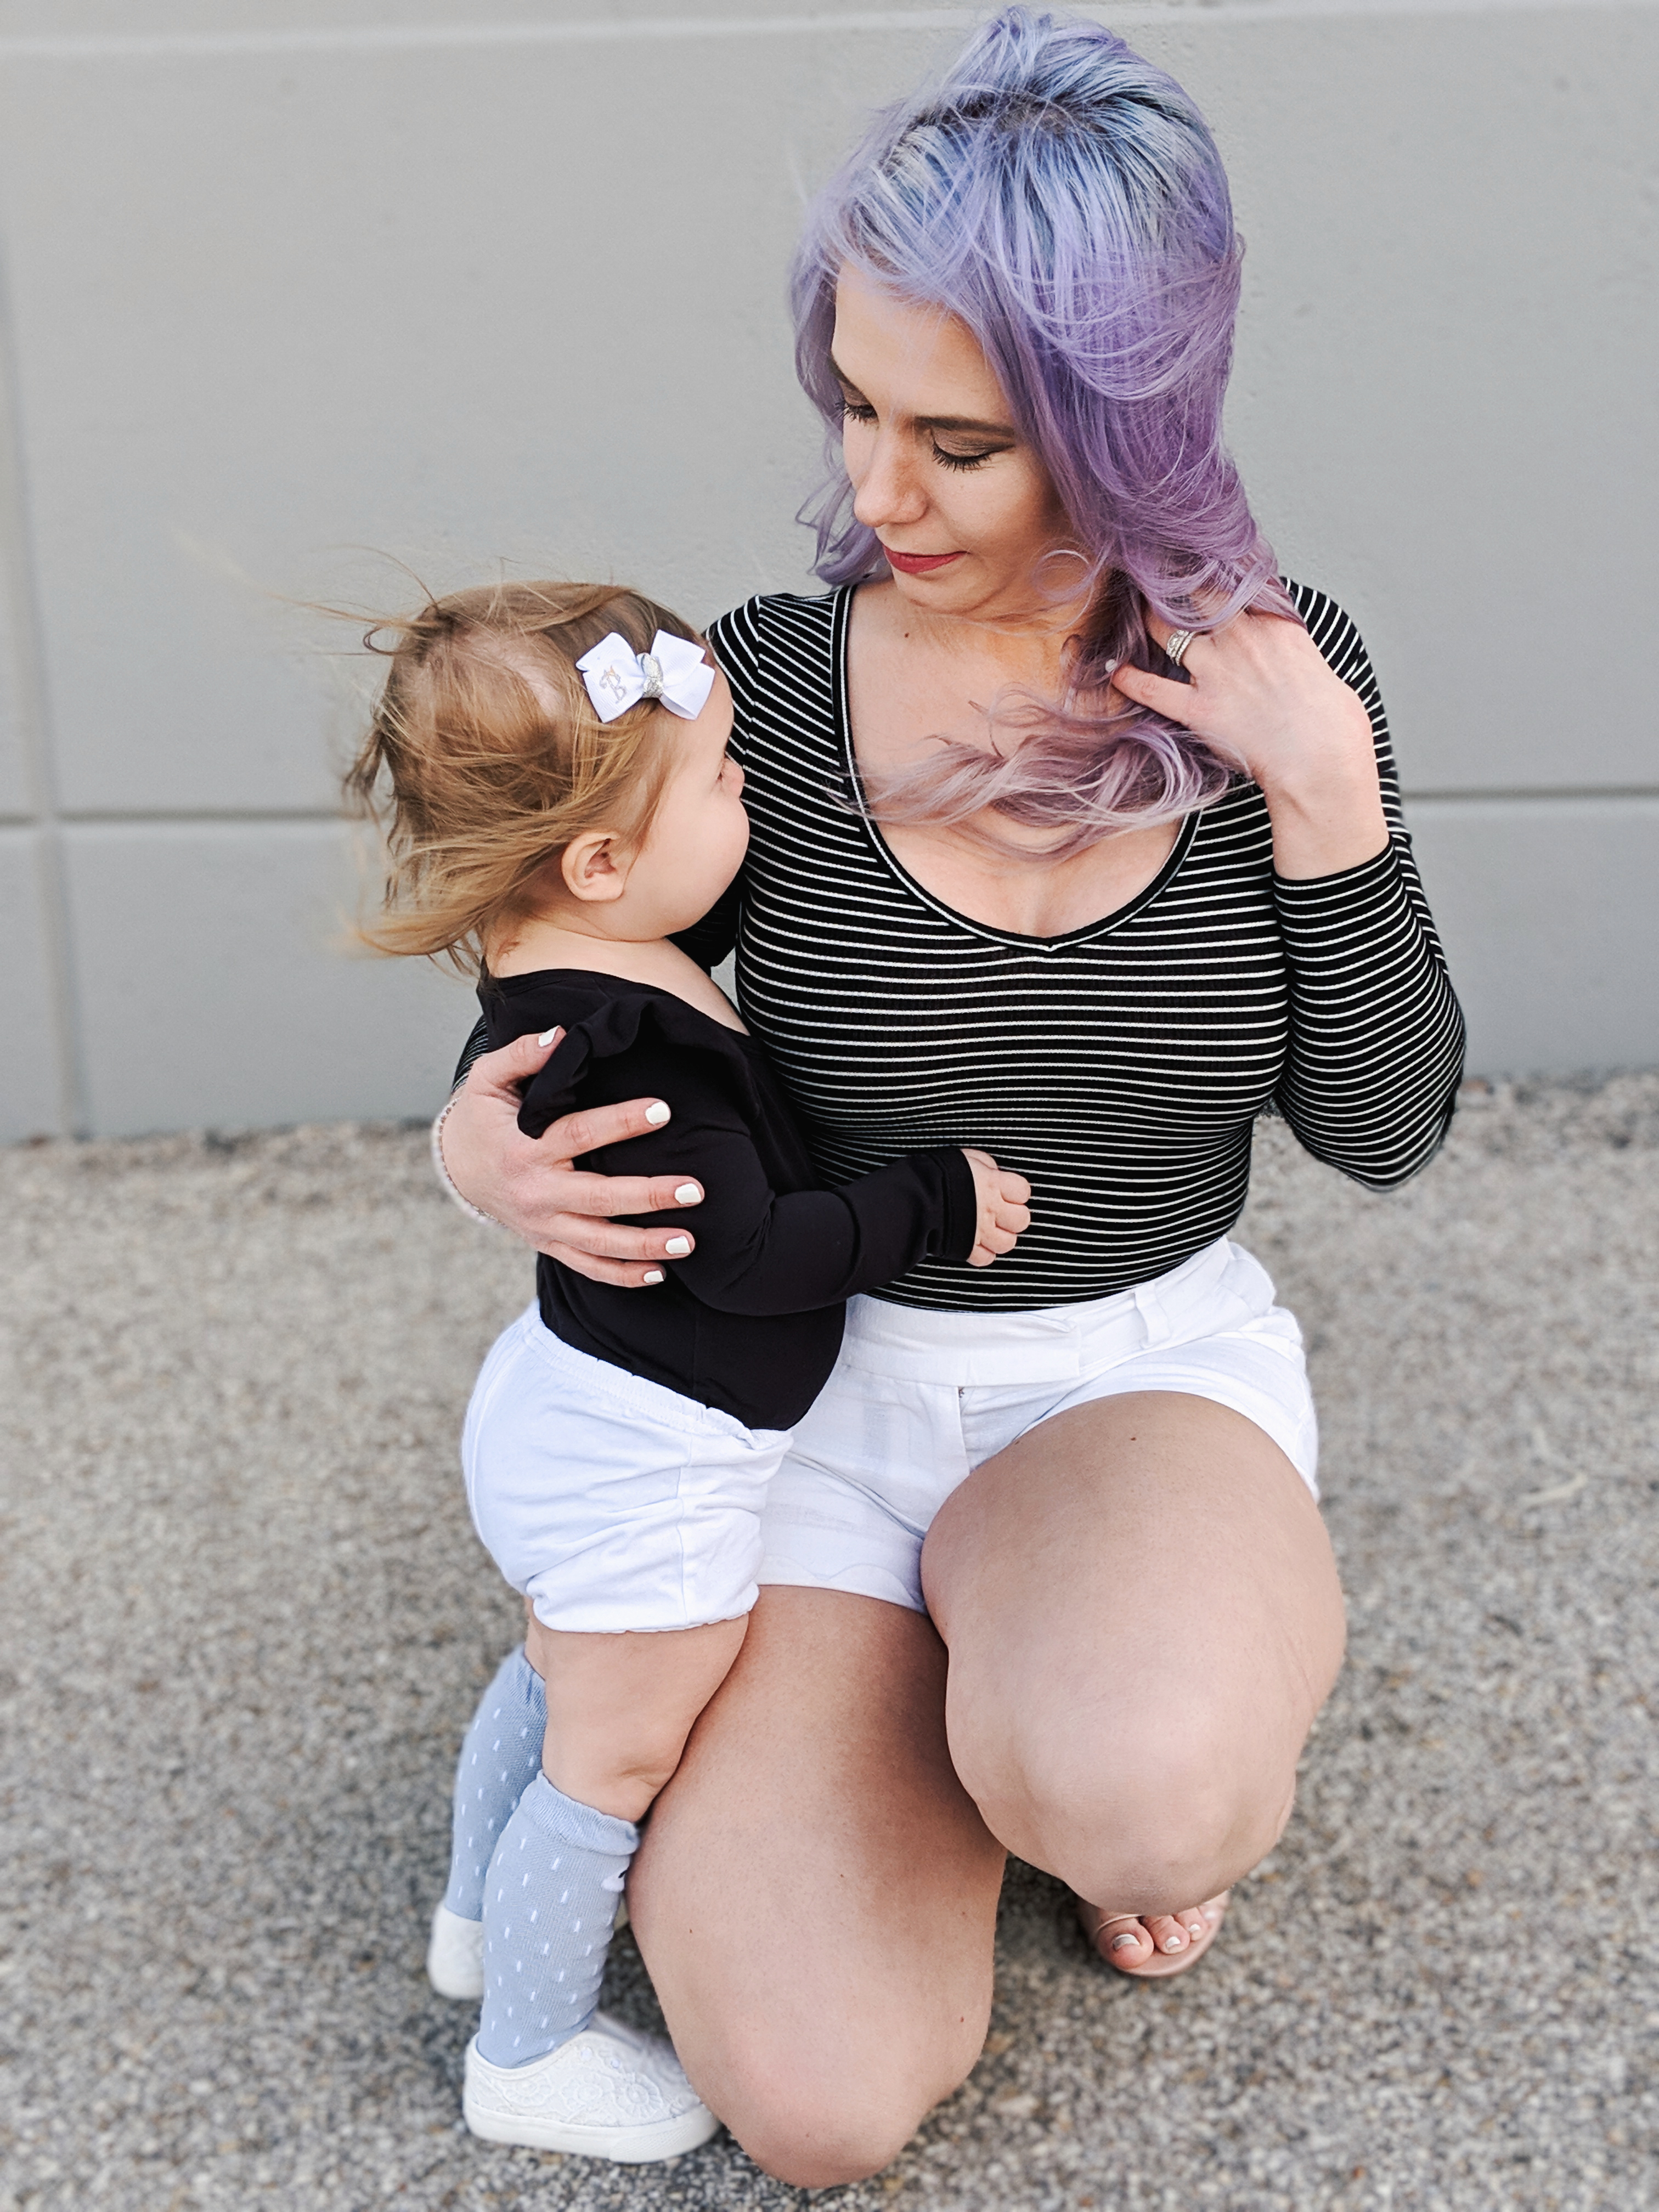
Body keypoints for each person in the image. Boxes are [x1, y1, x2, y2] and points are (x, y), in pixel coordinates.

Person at [433, 10, 1465, 2187]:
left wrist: (1331, 796)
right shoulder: (771, 688)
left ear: (1121, 427)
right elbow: (570, 925)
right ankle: (927, 1722)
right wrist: (472, 1134)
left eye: (958, 442)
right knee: (814, 2106)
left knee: (1146, 1782)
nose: (875, 496)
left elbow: (1382, 1127)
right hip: (797, 1418)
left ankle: (1065, 1717)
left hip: (1126, 1379)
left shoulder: (1283, 682)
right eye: (854, 409)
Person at [344, 579, 1030, 2160]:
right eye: (724, 779)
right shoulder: (643, 1066)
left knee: (552, 1671)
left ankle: (469, 1916)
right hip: (652, 1456)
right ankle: (526, 2051)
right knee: (616, 1750)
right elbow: (760, 1254)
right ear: (596, 861)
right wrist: (927, 1200)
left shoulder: (566, 967)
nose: (751, 795)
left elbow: (637, 932)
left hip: (573, 1407)